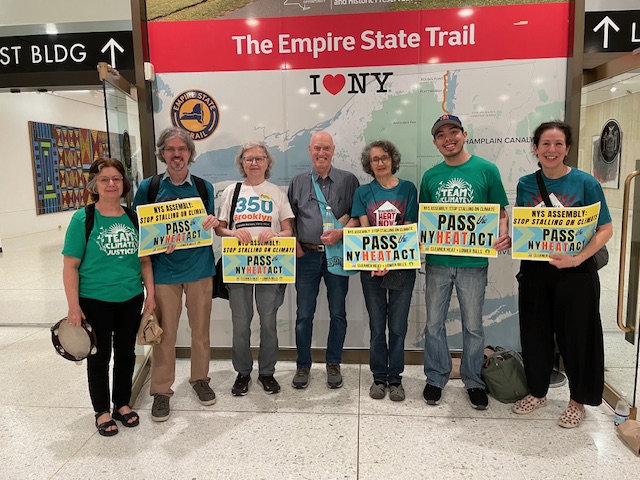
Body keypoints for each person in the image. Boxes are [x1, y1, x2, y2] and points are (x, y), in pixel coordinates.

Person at [512, 120, 612, 428]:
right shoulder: (526, 183)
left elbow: (605, 228)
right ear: (536, 149)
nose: (551, 150)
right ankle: (538, 391)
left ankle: (577, 401)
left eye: (558, 144)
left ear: (567, 149)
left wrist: (578, 257)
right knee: (535, 334)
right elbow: (523, 226)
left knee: (577, 337)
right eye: (545, 144)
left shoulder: (585, 183)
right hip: (535, 271)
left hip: (576, 274)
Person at [420, 114, 511, 410]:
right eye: (441, 135)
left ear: (464, 134)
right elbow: (425, 220)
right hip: (438, 262)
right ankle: (436, 377)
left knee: (473, 326)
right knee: (433, 324)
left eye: (453, 132)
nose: (449, 138)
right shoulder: (431, 176)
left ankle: (473, 380)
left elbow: (500, 213)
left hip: (473, 263)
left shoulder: (487, 170)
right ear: (435, 143)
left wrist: (502, 232)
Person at [62, 157, 155, 436]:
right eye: (104, 180)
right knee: (99, 356)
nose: (111, 184)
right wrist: (73, 306)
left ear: (123, 183)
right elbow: (70, 266)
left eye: (116, 179)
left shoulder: (134, 217)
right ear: (95, 185)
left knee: (126, 353)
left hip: (130, 297)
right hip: (95, 299)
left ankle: (122, 404)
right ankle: (102, 410)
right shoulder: (83, 219)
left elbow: (146, 261)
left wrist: (150, 295)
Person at [133, 127, 219, 422]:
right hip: (165, 272)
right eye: (171, 149)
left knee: (201, 332)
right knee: (165, 335)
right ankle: (160, 391)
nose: (177, 154)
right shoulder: (150, 187)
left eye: (182, 149)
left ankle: (200, 379)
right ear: (162, 153)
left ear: (190, 155)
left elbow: (212, 224)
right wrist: (157, 244)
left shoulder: (204, 187)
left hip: (199, 269)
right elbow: (141, 230)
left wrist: (213, 221)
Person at [215, 142, 294, 396]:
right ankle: (243, 372)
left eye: (259, 158)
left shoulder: (277, 192)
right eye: (248, 159)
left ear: (268, 162)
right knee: (241, 322)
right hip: (239, 264)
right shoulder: (232, 191)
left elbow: (288, 231)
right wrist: (233, 232)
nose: (254, 163)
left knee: (268, 321)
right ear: (242, 163)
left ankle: (267, 372)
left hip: (270, 265)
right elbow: (220, 228)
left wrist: (276, 234)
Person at [288, 131, 360, 389]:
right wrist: (295, 242)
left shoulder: (349, 180)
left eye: (326, 148)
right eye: (317, 148)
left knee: (338, 312)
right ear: (309, 150)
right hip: (306, 256)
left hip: (337, 255)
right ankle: (303, 365)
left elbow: (357, 214)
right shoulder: (297, 182)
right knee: (303, 314)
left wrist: (342, 231)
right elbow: (290, 218)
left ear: (333, 150)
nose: (322, 153)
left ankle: (333, 362)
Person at [351, 140, 418, 402]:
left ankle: (396, 379)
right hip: (371, 269)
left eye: (384, 157)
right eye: (375, 159)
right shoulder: (363, 192)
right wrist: (376, 259)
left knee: (398, 327)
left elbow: (409, 228)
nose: (380, 163)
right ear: (369, 164)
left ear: (392, 159)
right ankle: (379, 378)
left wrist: (390, 259)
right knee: (378, 326)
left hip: (401, 268)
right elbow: (366, 231)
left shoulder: (408, 189)